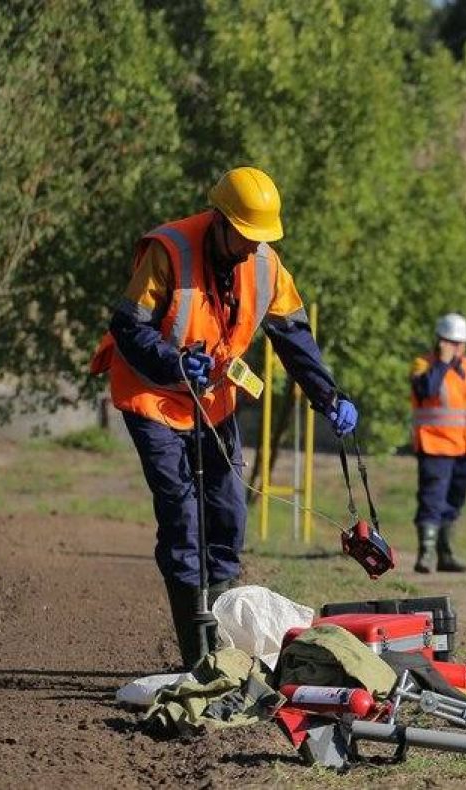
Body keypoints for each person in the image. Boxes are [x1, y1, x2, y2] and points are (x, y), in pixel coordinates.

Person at [90, 166, 358, 668]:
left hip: (212, 402)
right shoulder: (168, 251)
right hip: (152, 397)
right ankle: (198, 657)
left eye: (260, 239)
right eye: (244, 237)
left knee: (229, 513)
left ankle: (223, 649)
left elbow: (294, 338)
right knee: (183, 517)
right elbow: (127, 326)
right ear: (220, 220)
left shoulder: (266, 266)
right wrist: (173, 362)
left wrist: (329, 397)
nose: (251, 247)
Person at [410, 313, 466, 573]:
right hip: (436, 446)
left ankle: (445, 553)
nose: (457, 347)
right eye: (451, 342)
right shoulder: (423, 364)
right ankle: (425, 554)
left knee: (455, 501)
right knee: (432, 500)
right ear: (440, 341)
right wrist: (442, 363)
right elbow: (426, 390)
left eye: (460, 343)